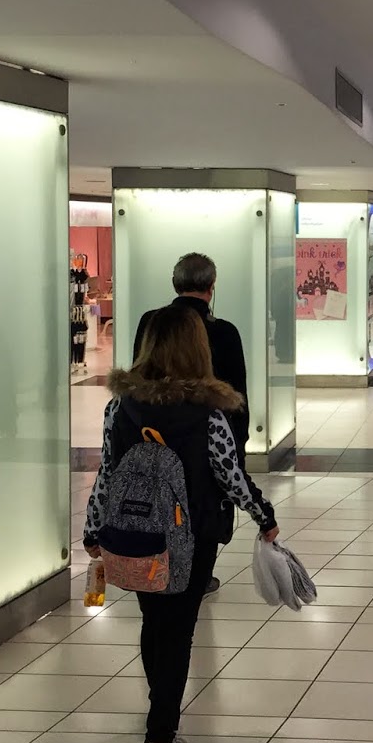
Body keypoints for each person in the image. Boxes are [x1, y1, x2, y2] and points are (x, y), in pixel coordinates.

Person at [84, 306, 277, 743]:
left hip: (136, 535)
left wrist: (93, 529)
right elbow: (230, 476)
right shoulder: (209, 414)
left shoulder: (120, 408)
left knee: (154, 624)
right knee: (180, 630)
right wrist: (263, 515)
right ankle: (161, 735)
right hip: (192, 536)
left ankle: (160, 715)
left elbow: (108, 472)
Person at [132, 253, 249, 597]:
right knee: (204, 505)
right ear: (212, 288)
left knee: (161, 498)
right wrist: (237, 446)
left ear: (175, 283)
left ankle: (161, 566)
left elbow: (140, 373)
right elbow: (237, 394)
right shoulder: (224, 332)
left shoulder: (150, 322)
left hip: (154, 430)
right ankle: (199, 574)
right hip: (205, 435)